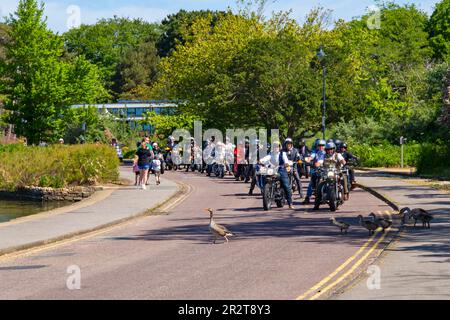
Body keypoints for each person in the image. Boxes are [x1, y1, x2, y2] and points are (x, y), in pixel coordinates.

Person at [260, 141, 295, 209]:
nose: (276, 148)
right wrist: (261, 161)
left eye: (277, 146)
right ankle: (266, 192)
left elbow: (286, 160)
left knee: (286, 185)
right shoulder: (270, 154)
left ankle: (290, 203)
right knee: (264, 177)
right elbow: (266, 158)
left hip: (281, 170)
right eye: (274, 146)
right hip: (272, 170)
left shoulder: (283, 153)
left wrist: (286, 163)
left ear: (279, 147)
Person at [313, 142, 347, 210]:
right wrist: (317, 164)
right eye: (328, 149)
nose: (330, 150)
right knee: (319, 185)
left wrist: (343, 162)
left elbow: (342, 160)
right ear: (326, 150)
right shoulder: (324, 155)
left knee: (343, 177)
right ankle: (317, 203)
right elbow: (320, 161)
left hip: (336, 172)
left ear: (334, 149)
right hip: (327, 173)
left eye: (331, 149)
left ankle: (345, 193)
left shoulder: (338, 155)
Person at [303, 139, 326, 205]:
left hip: (325, 169)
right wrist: (308, 159)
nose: (321, 147)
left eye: (322, 145)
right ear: (317, 146)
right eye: (319, 145)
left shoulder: (326, 152)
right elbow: (311, 156)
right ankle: (307, 197)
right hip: (316, 169)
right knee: (311, 183)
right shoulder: (315, 152)